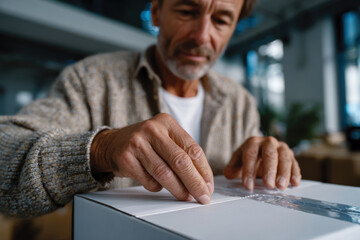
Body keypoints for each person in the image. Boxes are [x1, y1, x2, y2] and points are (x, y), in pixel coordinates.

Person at [0, 0, 301, 218]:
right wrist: (102, 149)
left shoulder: (240, 102)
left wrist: (265, 159)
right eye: (186, 11)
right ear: (157, 11)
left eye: (221, 20)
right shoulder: (91, 80)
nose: (201, 36)